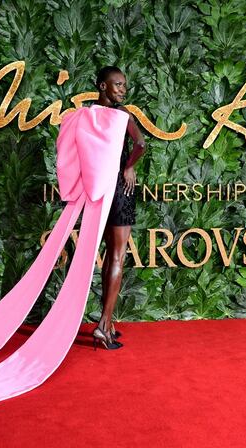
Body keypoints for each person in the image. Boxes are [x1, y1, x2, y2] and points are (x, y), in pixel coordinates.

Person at [91, 66, 147, 350]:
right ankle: (103, 326)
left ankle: (108, 321)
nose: (123, 90)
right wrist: (128, 166)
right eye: (118, 85)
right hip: (120, 189)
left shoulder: (89, 115)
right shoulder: (121, 114)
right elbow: (140, 143)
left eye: (124, 85)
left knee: (107, 255)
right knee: (117, 256)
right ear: (103, 85)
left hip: (99, 190)